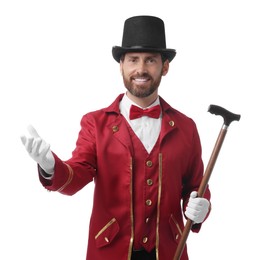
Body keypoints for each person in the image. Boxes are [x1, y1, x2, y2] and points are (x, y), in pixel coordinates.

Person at [21, 15, 211, 260]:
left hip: (168, 251)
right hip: (111, 251)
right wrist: (49, 165)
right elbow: (76, 176)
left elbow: (196, 186)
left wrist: (201, 206)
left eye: (150, 60)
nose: (141, 69)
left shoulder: (186, 127)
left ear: (165, 67)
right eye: (133, 60)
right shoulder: (95, 123)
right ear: (121, 65)